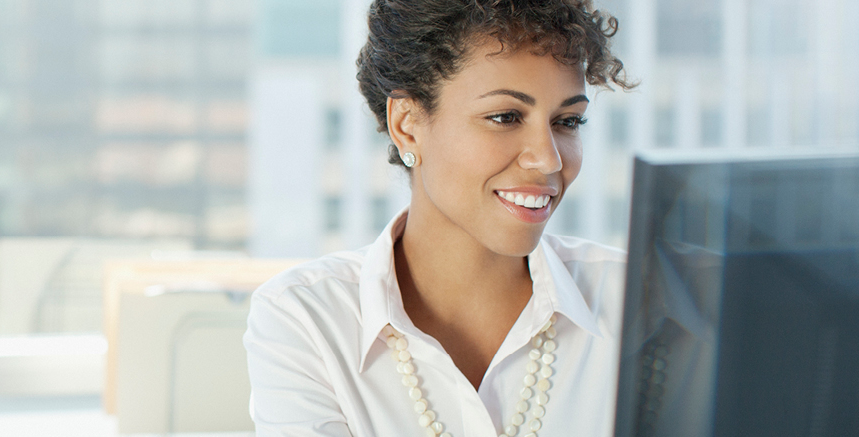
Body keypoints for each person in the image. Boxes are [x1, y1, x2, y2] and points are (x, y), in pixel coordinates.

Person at [242, 0, 636, 436]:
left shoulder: (637, 300)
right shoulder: (307, 320)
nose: (547, 159)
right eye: (505, 117)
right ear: (407, 124)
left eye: (568, 121)